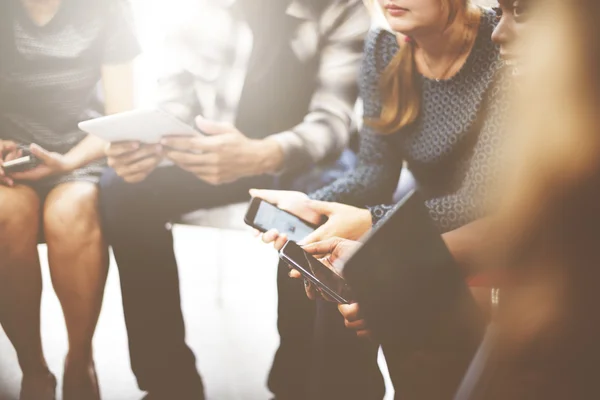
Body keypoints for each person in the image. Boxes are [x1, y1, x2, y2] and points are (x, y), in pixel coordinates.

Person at [98, 1, 370, 399]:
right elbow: (176, 97)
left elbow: (331, 122)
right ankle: (168, 382)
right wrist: (155, 143)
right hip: (220, 155)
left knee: (315, 208)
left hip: (303, 160)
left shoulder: (342, 10)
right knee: (122, 190)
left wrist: (260, 154)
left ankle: (296, 384)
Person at [254, 0, 509, 397]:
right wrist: (314, 205)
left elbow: (476, 202)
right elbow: (374, 172)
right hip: (414, 215)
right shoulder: (383, 45)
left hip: (484, 223)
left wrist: (371, 221)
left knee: (349, 271)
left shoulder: (501, 45)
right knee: (306, 251)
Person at [0, 0, 139, 399]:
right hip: (11, 160)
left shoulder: (109, 10)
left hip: (82, 152)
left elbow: (119, 117)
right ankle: (33, 369)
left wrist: (66, 162)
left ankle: (79, 361)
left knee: (71, 212)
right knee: (6, 212)